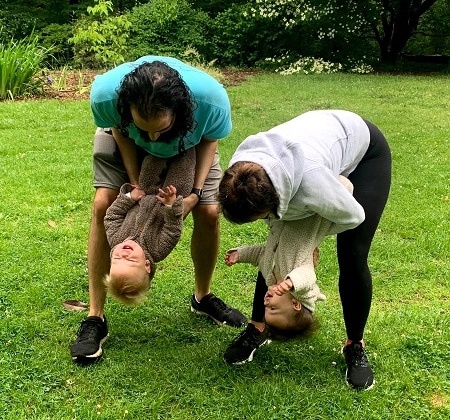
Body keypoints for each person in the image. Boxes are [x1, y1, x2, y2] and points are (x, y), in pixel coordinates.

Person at [70, 56, 246, 364]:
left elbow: (208, 143)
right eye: (145, 128)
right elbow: (121, 134)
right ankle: (95, 317)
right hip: (124, 142)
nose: (152, 140)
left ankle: (202, 297)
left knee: (208, 213)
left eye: (159, 129)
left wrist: (195, 194)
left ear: (180, 112)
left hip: (190, 150)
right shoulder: (106, 95)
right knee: (102, 204)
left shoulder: (211, 102)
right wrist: (136, 184)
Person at [218, 109, 391, 391]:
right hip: (316, 146)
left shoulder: (312, 185)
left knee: (353, 254)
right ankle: (258, 327)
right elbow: (269, 250)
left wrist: (314, 238)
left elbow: (353, 217)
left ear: (273, 201)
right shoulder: (241, 168)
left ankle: (355, 344)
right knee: (276, 249)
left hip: (364, 152)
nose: (265, 221)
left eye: (262, 216)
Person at [223, 176, 353, 343]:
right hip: (312, 208)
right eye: (273, 307)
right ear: (295, 304)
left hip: (290, 207)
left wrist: (240, 254)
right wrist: (291, 282)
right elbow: (308, 274)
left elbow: (261, 254)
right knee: (326, 183)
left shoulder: (269, 275)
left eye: (265, 307)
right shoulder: (297, 283)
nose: (266, 301)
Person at [104, 148, 195, 306]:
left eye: (117, 258)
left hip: (144, 192)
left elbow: (112, 216)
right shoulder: (157, 250)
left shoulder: (115, 238)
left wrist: (128, 198)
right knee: (182, 173)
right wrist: (170, 206)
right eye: (131, 260)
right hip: (168, 199)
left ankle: (160, 146)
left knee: (150, 167)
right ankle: (187, 145)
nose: (123, 253)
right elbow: (172, 230)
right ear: (147, 265)